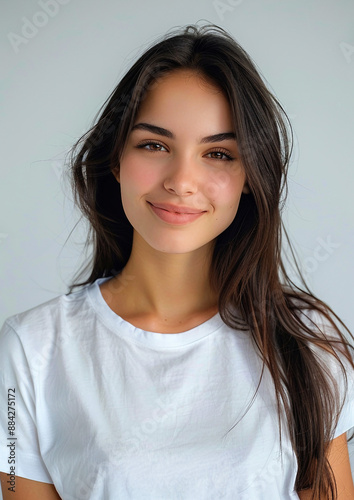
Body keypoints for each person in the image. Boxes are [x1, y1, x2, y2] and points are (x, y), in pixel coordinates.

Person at [0, 22, 353, 500]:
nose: (182, 180)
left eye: (218, 153)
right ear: (115, 159)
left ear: (250, 176)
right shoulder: (30, 349)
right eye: (154, 145)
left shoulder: (307, 345)